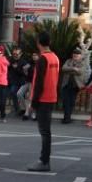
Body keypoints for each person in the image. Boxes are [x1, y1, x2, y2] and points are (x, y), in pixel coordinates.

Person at [28, 31, 59, 172]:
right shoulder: (55, 58)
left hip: (43, 98)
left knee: (45, 132)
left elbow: (39, 82)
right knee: (46, 131)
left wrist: (33, 103)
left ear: (39, 43)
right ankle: (44, 160)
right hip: (51, 96)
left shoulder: (42, 59)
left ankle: (44, 161)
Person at [59, 48, 84, 124]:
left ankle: (67, 118)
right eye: (74, 54)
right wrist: (73, 68)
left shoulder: (82, 63)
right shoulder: (68, 61)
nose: (75, 56)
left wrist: (70, 70)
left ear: (80, 56)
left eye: (77, 55)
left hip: (75, 85)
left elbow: (80, 72)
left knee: (71, 102)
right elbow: (63, 68)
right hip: (66, 84)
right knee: (65, 101)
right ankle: (67, 118)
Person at [7, 47, 30, 116]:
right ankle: (17, 109)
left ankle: (23, 109)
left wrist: (16, 68)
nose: (15, 55)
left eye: (17, 54)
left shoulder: (23, 62)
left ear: (20, 54)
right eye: (14, 54)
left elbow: (25, 73)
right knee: (13, 93)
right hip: (13, 81)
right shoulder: (10, 60)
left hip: (21, 82)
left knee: (19, 94)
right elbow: (7, 69)